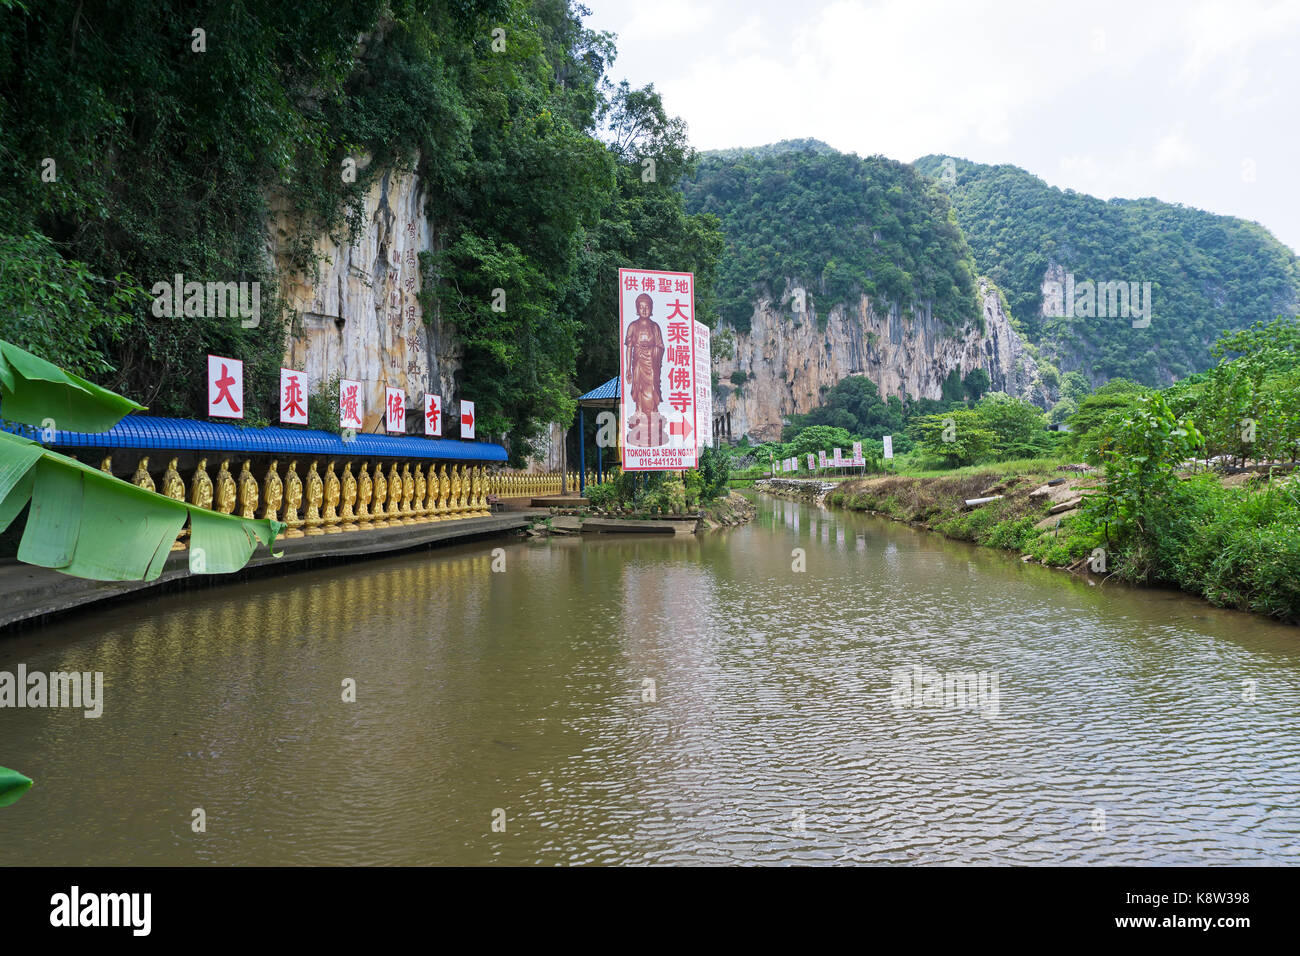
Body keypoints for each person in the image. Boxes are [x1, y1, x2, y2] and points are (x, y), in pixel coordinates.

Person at [624, 292, 666, 447]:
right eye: (641, 307)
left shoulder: (655, 327)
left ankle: (653, 413)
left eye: (646, 307)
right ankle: (640, 413)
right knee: (639, 389)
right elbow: (629, 349)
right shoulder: (633, 326)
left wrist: (654, 352)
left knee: (653, 388)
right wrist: (628, 369)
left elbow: (661, 347)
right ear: (637, 308)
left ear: (651, 308)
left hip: (652, 364)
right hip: (638, 364)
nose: (644, 310)